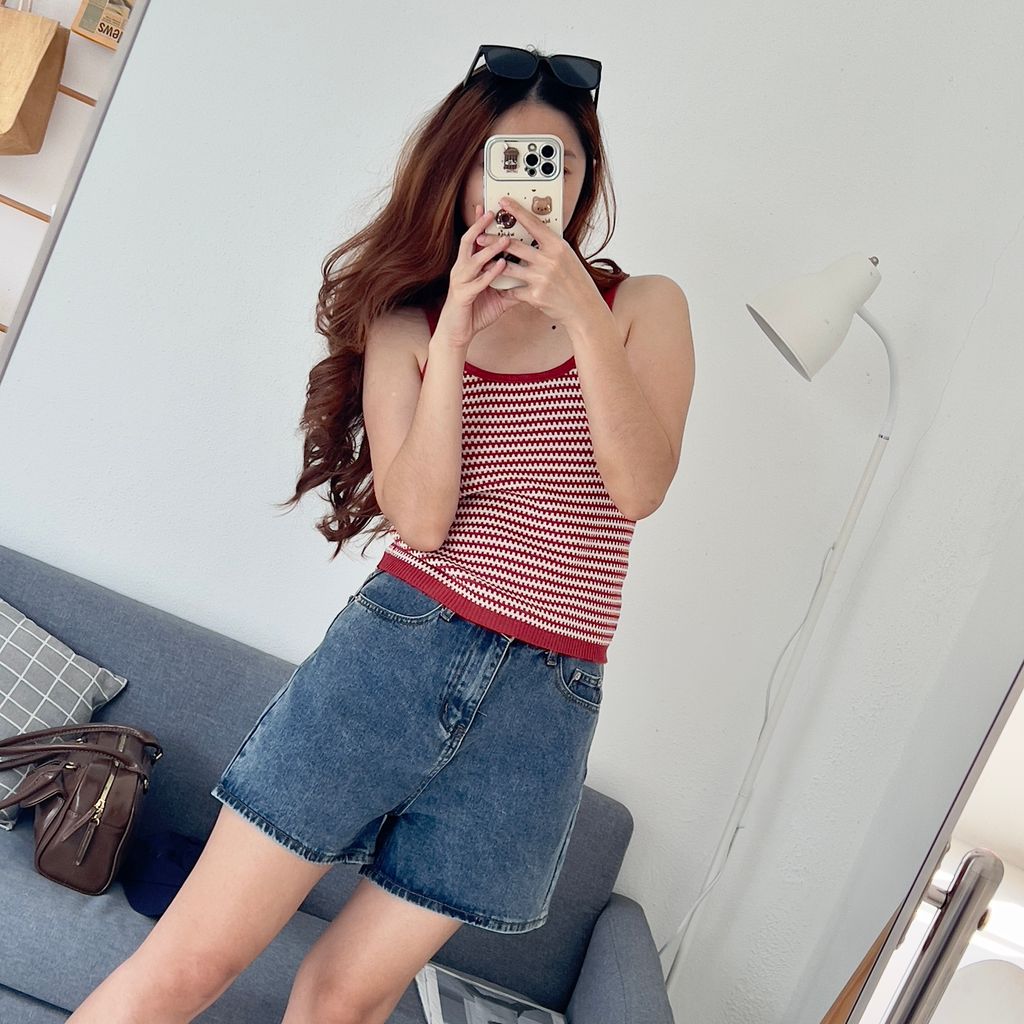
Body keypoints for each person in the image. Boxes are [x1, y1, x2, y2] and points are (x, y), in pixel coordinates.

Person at [68, 43, 695, 1024]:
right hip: (397, 657)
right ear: (461, 171)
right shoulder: (407, 326)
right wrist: (456, 333)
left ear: (585, 178)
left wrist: (577, 310)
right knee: (192, 964)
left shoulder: (641, 307)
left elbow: (640, 485)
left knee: (345, 1003)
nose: (534, 188)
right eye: (504, 161)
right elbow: (424, 517)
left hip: (546, 705)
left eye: (560, 164)